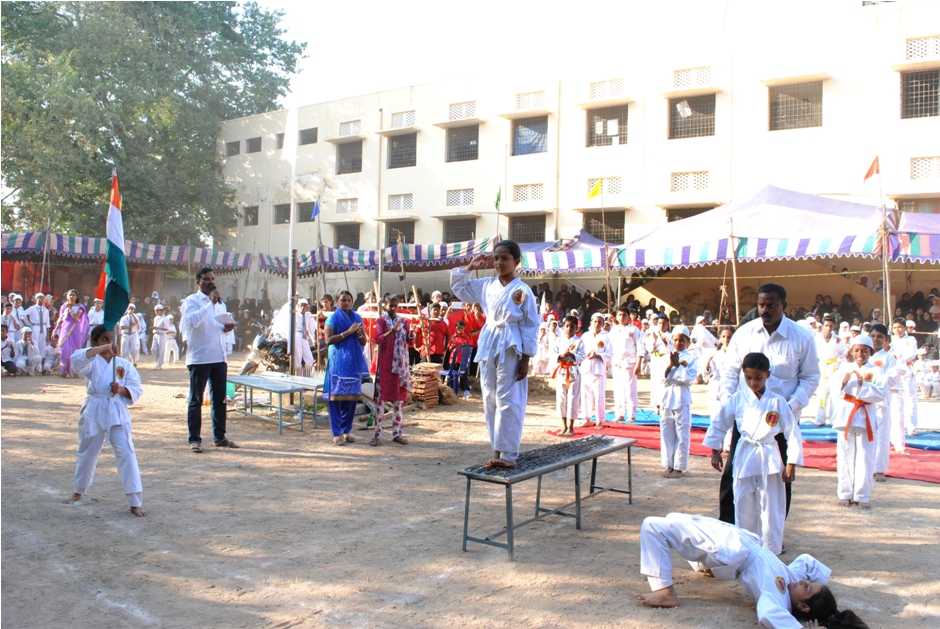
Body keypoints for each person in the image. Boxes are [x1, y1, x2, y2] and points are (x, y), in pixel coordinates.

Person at [634, 513, 869, 629]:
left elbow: (767, 615)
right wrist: (823, 596)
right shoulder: (792, 581)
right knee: (675, 518)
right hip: (739, 543)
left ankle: (665, 592)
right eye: (809, 583)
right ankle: (709, 568)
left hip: (729, 550)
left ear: (803, 606)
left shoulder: (775, 597)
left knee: (653, 525)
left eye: (806, 588)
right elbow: (807, 561)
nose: (803, 582)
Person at [717, 284, 819, 524]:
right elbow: (729, 373)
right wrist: (730, 403)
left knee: (779, 479)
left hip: (780, 422)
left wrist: (789, 407)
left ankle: (773, 534)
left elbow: (810, 377)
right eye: (761, 305)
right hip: (747, 420)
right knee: (734, 474)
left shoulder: (801, 336)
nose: (765, 310)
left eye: (771, 305)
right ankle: (729, 531)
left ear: (784, 305)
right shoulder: (745, 334)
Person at [451, 240, 539, 468]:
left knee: (507, 398)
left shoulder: (522, 291)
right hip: (490, 341)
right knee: (489, 396)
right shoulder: (486, 285)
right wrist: (470, 267)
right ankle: (497, 449)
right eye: (497, 258)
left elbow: (530, 326)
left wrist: (526, 359)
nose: (500, 263)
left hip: (511, 345)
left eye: (505, 259)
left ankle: (509, 454)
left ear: (516, 262)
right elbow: (460, 289)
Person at [704, 352, 801, 555]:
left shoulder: (777, 402)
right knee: (743, 502)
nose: (753, 382)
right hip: (745, 455)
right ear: (743, 375)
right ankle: (746, 549)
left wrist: (791, 462)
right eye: (748, 378)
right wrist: (715, 450)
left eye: (758, 378)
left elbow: (792, 432)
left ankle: (771, 550)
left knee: (772, 506)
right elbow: (720, 423)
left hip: (769, 455)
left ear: (768, 375)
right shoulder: (738, 399)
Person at [64, 325, 147, 517]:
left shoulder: (123, 364)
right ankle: (79, 489)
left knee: (126, 452)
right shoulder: (91, 361)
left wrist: (122, 390)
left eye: (112, 339)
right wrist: (103, 349)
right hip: (94, 408)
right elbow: (76, 359)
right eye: (104, 339)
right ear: (95, 343)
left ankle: (135, 500)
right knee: (87, 451)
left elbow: (136, 387)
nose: (110, 343)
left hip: (116, 409)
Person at [180, 267, 239, 453]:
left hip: (219, 357)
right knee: (196, 399)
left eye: (213, 278)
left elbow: (217, 326)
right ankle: (194, 440)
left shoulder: (220, 304)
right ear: (199, 282)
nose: (211, 282)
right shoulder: (192, 301)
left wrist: (226, 329)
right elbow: (193, 321)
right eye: (207, 279)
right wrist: (210, 304)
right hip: (200, 358)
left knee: (220, 399)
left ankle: (220, 437)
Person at [830, 336, 885, 509]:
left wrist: (863, 386)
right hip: (846, 415)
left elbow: (881, 394)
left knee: (865, 457)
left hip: (865, 415)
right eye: (856, 350)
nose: (860, 354)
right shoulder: (844, 368)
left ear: (871, 352)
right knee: (845, 455)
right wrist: (842, 383)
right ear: (851, 352)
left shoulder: (876, 370)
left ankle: (862, 495)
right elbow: (833, 389)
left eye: (864, 351)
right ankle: (844, 493)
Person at [323, 290, 369, 445]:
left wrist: (358, 333)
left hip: (354, 363)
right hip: (338, 364)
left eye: (349, 300)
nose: (346, 303)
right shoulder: (332, 318)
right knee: (336, 399)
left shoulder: (357, 317)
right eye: (343, 300)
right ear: (337, 302)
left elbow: (364, 342)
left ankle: (346, 430)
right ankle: (336, 433)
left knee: (351, 399)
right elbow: (328, 340)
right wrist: (348, 332)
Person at [371, 294, 412, 446]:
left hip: (400, 367)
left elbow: (409, 342)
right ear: (385, 306)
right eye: (390, 306)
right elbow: (379, 339)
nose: (393, 308)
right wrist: (392, 331)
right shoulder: (381, 321)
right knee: (380, 401)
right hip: (385, 365)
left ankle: (397, 433)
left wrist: (412, 335)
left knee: (398, 401)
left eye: (396, 306)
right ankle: (377, 434)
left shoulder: (404, 321)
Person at [659, 325, 698, 479]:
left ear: (687, 342)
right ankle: (669, 464)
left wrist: (677, 366)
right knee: (666, 430)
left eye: (682, 340)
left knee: (682, 432)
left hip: (682, 396)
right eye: (675, 340)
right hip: (667, 396)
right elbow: (661, 378)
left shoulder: (691, 359)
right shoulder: (666, 356)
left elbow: (689, 379)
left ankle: (679, 466)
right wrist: (670, 365)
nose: (678, 343)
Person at [867, 324, 897, 482]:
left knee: (882, 435)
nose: (875, 339)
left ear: (886, 340)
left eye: (880, 337)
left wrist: (876, 377)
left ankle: (879, 469)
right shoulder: (863, 354)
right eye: (872, 336)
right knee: (864, 433)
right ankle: (865, 465)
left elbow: (892, 379)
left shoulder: (889, 358)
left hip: (881, 401)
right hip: (863, 400)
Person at [610, 305, 643, 422]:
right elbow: (610, 346)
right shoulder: (614, 330)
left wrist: (638, 364)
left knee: (630, 389)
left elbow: (640, 347)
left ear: (628, 317)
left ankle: (632, 415)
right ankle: (620, 413)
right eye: (619, 314)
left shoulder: (634, 329)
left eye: (624, 315)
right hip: (617, 361)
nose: (622, 317)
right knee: (618, 388)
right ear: (616, 316)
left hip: (630, 361)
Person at [580, 312, 613, 429]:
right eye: (595, 321)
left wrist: (598, 355)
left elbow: (610, 354)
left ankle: (599, 420)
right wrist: (586, 354)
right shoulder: (585, 336)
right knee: (585, 394)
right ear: (591, 322)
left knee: (599, 396)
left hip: (599, 370)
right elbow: (580, 351)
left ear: (603, 324)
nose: (597, 324)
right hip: (586, 368)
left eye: (600, 322)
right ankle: (586, 418)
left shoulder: (606, 337)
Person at [553, 315, 585, 436]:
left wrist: (572, 355)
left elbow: (582, 356)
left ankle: (571, 427)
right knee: (561, 398)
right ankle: (564, 425)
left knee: (573, 398)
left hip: (573, 371)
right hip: (562, 370)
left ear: (577, 328)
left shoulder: (579, 341)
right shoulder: (559, 340)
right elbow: (553, 353)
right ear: (563, 326)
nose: (569, 329)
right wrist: (560, 356)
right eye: (567, 326)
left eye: (572, 326)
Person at [814, 315, 846, 427]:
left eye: (831, 326)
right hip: (820, 368)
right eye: (826, 325)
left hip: (834, 369)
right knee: (821, 396)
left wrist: (842, 368)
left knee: (835, 396)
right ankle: (819, 420)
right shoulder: (816, 338)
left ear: (834, 326)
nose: (828, 328)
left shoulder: (837, 340)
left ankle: (834, 421)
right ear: (822, 326)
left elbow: (843, 354)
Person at [890, 318, 919, 439]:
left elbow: (911, 354)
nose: (897, 330)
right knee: (894, 399)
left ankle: (911, 426)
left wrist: (898, 358)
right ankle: (894, 425)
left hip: (906, 370)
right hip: (893, 370)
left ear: (905, 328)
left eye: (899, 327)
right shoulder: (890, 340)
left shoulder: (910, 340)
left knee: (909, 397)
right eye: (895, 328)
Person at [55, 290, 90, 377]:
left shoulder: (80, 307)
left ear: (76, 297)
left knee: (75, 349)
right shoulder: (63, 306)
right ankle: (63, 369)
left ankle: (74, 370)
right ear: (67, 296)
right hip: (65, 328)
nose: (72, 297)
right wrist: (56, 329)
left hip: (75, 329)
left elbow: (76, 318)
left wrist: (70, 310)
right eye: (70, 295)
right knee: (64, 349)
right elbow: (60, 318)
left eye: (73, 295)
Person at [151, 304, 170, 369]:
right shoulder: (156, 318)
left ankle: (159, 364)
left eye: (157, 311)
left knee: (161, 350)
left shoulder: (165, 319)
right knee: (153, 349)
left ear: (161, 311)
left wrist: (156, 328)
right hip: (155, 334)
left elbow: (167, 328)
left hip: (162, 335)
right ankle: (158, 362)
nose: (156, 312)